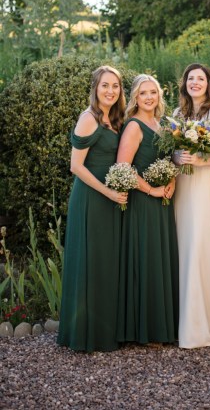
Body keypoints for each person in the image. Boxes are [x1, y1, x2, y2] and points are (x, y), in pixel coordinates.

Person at [58, 65, 128, 352]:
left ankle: (105, 330)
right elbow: (76, 166)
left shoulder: (116, 120)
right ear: (95, 89)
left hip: (111, 197)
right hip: (91, 198)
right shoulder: (89, 119)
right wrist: (109, 192)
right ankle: (85, 334)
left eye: (115, 86)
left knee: (106, 262)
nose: (110, 91)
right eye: (105, 86)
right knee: (90, 260)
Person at [117, 74, 179, 344]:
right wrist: (151, 190)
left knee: (162, 259)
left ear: (159, 95)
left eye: (153, 92)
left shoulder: (164, 125)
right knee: (147, 259)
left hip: (164, 201)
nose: (149, 97)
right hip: (143, 202)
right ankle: (147, 329)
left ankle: (164, 326)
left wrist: (173, 181)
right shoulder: (134, 126)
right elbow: (123, 168)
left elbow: (171, 159)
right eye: (143, 93)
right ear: (135, 97)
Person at [173, 63, 210, 348]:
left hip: (204, 186)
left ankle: (201, 321)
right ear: (185, 83)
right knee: (182, 244)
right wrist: (176, 157)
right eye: (191, 78)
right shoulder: (177, 114)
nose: (196, 82)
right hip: (181, 186)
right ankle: (180, 317)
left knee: (199, 244)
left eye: (201, 78)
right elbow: (169, 150)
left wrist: (201, 160)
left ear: (209, 84)